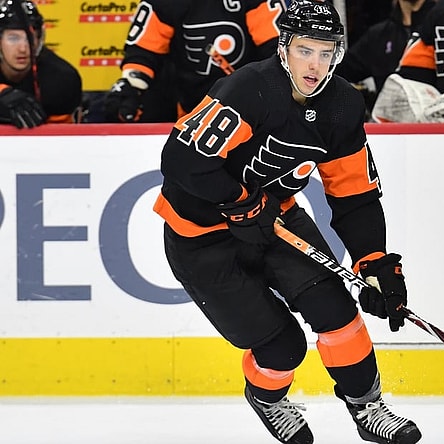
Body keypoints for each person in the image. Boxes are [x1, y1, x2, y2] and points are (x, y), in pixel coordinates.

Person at [153, 1, 422, 444]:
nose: (315, 65)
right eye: (305, 51)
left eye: (326, 52)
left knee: (337, 310)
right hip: (201, 236)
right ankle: (269, 398)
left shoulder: (341, 107)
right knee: (283, 348)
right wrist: (239, 201)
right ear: (283, 48)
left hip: (275, 219)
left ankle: (367, 405)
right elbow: (181, 160)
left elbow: (353, 193)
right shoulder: (247, 91)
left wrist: (374, 260)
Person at [104, 0, 287, 123]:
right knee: (121, 104)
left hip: (252, 108)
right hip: (188, 108)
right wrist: (132, 85)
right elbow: (143, 51)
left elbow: (278, 49)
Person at [335, 0, 436, 118]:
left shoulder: (443, 29)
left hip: (438, 126)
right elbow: (338, 71)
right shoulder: (378, 35)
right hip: (388, 129)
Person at [0, 0, 82, 128]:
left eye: (30, 38)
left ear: (39, 39)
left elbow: (60, 141)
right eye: (13, 38)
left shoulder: (62, 79)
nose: (23, 48)